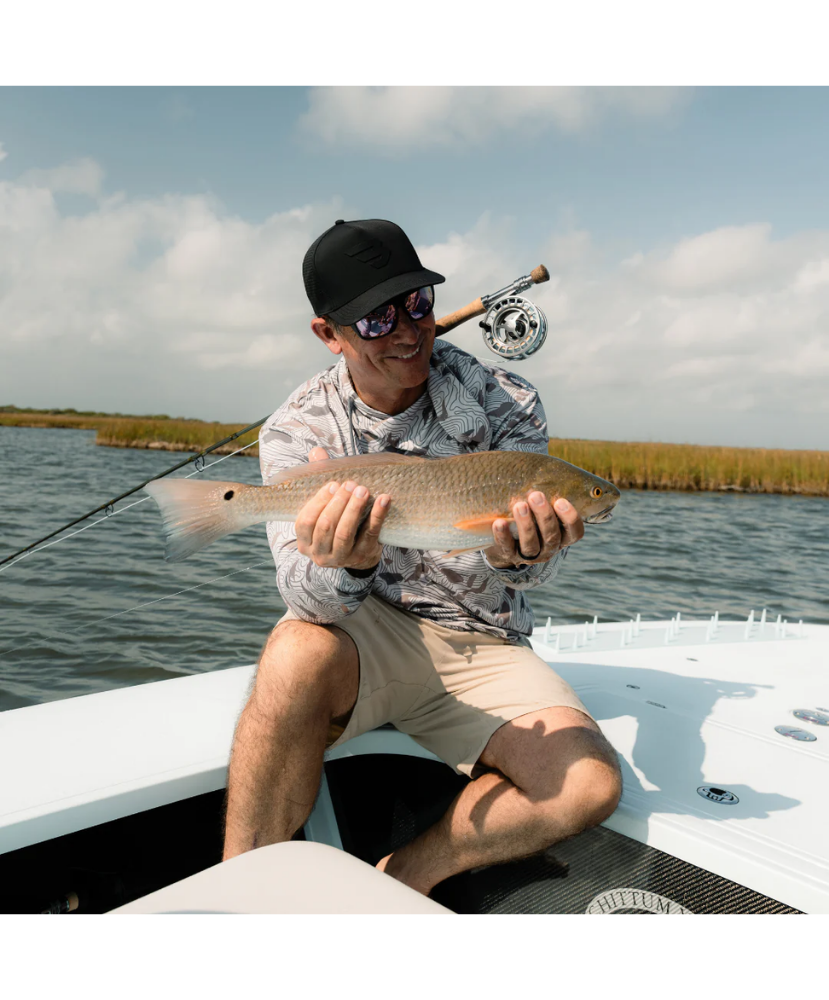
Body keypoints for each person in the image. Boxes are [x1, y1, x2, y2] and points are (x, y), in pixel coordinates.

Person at [223, 219, 621, 895]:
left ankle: (404, 877)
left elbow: (533, 570)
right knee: (294, 650)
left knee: (587, 785)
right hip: (366, 636)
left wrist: (520, 557)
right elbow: (306, 601)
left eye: (418, 305)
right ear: (328, 334)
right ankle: (236, 893)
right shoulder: (297, 429)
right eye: (376, 321)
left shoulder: (508, 400)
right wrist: (345, 563)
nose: (408, 332)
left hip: (485, 641)